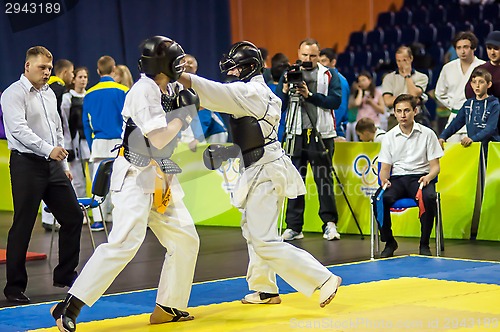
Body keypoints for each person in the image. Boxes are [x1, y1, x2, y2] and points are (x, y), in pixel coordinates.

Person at [50, 36, 200, 332]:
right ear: (162, 65)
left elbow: (167, 140)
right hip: (134, 173)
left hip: (161, 174)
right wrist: (183, 118)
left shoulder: (168, 88)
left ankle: (169, 306)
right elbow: (158, 137)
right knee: (124, 243)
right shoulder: (143, 91)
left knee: (185, 239)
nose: (180, 66)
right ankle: (69, 305)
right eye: (175, 61)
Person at [177, 40, 342, 309]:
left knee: (264, 240)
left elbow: (213, 91)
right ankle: (265, 289)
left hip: (265, 170)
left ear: (249, 68)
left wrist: (179, 76)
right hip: (260, 166)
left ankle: (323, 279)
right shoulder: (252, 92)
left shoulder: (251, 93)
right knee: (254, 232)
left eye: (235, 69)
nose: (230, 74)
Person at [0, 46, 83, 304]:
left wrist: (65, 167)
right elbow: (19, 130)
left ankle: (65, 274)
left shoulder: (49, 94)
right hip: (26, 165)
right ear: (27, 66)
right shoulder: (13, 93)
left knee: (72, 217)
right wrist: (50, 150)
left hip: (53, 165)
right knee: (23, 226)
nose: (47, 72)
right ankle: (14, 288)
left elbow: (57, 129)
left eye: (49, 68)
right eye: (42, 68)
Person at [276, 38, 342, 241]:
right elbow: (279, 103)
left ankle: (329, 224)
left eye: (313, 56)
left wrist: (310, 95)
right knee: (295, 181)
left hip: (321, 133)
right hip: (295, 132)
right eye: (304, 55)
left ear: (318, 55)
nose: (308, 59)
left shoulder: (329, 74)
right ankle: (294, 226)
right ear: (298, 53)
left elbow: (336, 101)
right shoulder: (289, 74)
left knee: (324, 180)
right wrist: (285, 90)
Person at [378, 94, 444, 258]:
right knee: (379, 199)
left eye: (407, 110)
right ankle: (389, 241)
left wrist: (429, 177)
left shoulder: (428, 134)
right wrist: (383, 178)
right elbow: (385, 168)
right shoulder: (388, 137)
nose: (403, 115)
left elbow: (435, 167)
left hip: (420, 178)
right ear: (394, 113)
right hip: (398, 179)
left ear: (415, 111)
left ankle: (424, 243)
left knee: (429, 197)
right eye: (399, 111)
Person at [83, 55, 128, 231]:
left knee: (98, 184)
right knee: (121, 183)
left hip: (99, 143)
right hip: (120, 143)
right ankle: (119, 219)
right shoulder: (123, 90)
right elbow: (129, 119)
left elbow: (86, 124)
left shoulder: (89, 93)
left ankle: (98, 220)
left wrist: (91, 142)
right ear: (114, 69)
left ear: (97, 70)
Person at [42, 59, 75, 231]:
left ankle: (47, 218)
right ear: (63, 73)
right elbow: (62, 121)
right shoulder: (62, 92)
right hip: (58, 141)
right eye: (71, 72)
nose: (73, 76)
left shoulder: (45, 90)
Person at [435, 31, 485, 143]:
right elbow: (439, 93)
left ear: (473, 48)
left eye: (466, 47)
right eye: (459, 48)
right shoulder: (448, 68)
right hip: (454, 115)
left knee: (475, 158)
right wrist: (453, 104)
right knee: (453, 156)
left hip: (477, 117)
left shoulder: (483, 67)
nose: (462, 51)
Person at [439, 68, 500, 158]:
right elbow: (456, 123)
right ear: (471, 84)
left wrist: (473, 138)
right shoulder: (468, 104)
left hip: (491, 148)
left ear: (489, 84)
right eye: (474, 82)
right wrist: (443, 136)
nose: (477, 85)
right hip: (474, 148)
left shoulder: (494, 104)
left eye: (481, 82)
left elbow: (490, 128)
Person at [61, 67, 91, 199]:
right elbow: (65, 124)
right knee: (78, 180)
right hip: (75, 142)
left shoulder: (90, 96)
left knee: (96, 177)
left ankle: (100, 213)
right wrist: (67, 145)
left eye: (85, 77)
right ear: (74, 79)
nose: (83, 80)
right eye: (80, 77)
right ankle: (81, 211)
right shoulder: (67, 98)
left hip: (89, 141)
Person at [382, 46, 429, 129]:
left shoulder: (422, 77)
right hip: (394, 119)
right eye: (398, 61)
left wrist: (407, 76)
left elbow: (414, 93)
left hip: (415, 118)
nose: (401, 64)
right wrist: (410, 98)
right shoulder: (389, 78)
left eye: (404, 60)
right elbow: (387, 101)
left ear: (411, 58)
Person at [319, 47, 349, 140]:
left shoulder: (339, 81)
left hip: (336, 131)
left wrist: (332, 128)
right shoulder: (323, 78)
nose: (320, 64)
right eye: (319, 61)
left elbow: (340, 108)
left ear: (333, 62)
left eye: (324, 61)